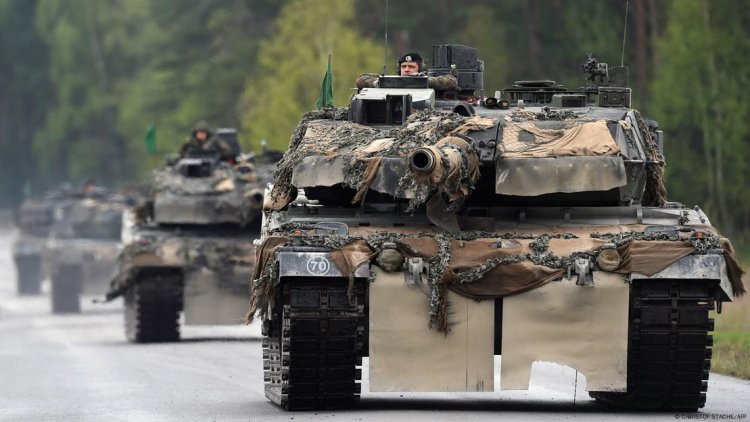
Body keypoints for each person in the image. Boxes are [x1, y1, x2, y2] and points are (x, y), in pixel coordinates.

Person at [356, 51, 458, 90]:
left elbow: (452, 81)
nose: (407, 70)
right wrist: (376, 83)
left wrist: (426, 82)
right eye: (404, 67)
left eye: (411, 66)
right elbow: (361, 80)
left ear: (420, 68)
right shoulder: (389, 82)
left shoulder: (428, 81)